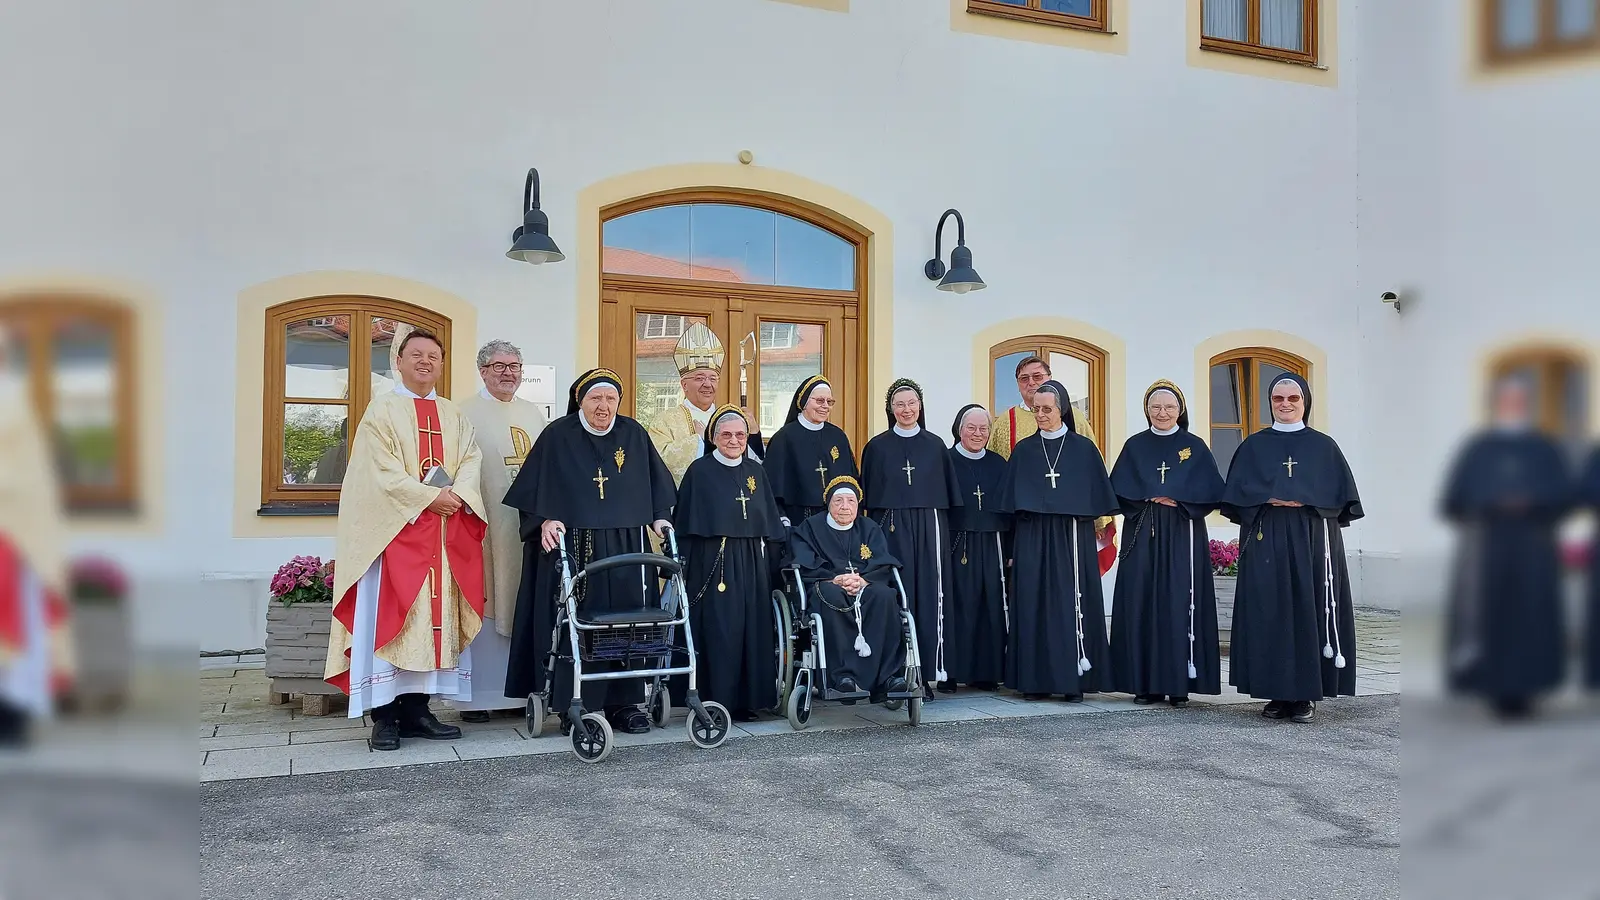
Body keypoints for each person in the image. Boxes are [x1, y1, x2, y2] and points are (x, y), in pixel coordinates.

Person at [322, 329, 487, 751]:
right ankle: (385, 716)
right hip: (395, 536)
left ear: (442, 363)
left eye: (433, 355)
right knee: (392, 620)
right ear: (399, 360)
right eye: (417, 354)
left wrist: (456, 496)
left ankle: (418, 710)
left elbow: (470, 460)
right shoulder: (381, 412)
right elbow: (379, 474)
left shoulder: (454, 416)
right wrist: (431, 496)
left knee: (432, 624)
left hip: (442, 537)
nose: (425, 362)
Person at [501, 368, 676, 736]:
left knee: (629, 620)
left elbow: (657, 485)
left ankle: (625, 702)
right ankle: (574, 703)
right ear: (580, 401)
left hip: (627, 544)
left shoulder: (633, 434)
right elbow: (532, 491)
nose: (604, 406)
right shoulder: (557, 436)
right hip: (577, 544)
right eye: (596, 398)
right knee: (579, 623)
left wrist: (660, 520)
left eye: (611, 398)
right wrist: (544, 520)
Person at [1221, 373, 1362, 724]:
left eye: (1293, 399)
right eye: (1278, 399)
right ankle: (1275, 692)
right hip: (1266, 533)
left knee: (1307, 606)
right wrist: (1266, 498)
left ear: (1305, 402)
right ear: (1270, 403)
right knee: (1269, 609)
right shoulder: (1253, 446)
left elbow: (1341, 499)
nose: (1285, 404)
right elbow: (1237, 496)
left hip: (1312, 535)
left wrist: (1306, 500)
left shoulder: (1323, 446)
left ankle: (1305, 695)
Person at [1440, 375, 1573, 719]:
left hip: (1533, 545)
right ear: (1496, 403)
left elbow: (1564, 494)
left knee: (1529, 616)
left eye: (1518, 399)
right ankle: (1493, 686)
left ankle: (1529, 688)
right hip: (1488, 544)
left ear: (1525, 403)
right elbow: (1454, 498)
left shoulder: (1543, 447)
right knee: (1491, 615)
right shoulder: (1479, 449)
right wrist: (1490, 502)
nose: (1512, 405)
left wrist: (1532, 502)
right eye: (1506, 399)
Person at [1107, 381, 1225, 708]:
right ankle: (1144, 684)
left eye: (1169, 407)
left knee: (1178, 601)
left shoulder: (1194, 447)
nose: (1162, 413)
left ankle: (1179, 685)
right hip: (1143, 530)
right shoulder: (1135, 446)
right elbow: (1118, 491)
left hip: (1181, 531)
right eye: (1156, 407)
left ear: (1180, 410)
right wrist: (1145, 497)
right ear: (1147, 410)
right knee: (1140, 600)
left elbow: (1212, 491)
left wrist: (1180, 499)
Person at [1000, 380, 1119, 701]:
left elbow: (1097, 497)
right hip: (1033, 536)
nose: (1040, 414)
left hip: (1072, 535)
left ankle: (1074, 680)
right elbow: (1011, 506)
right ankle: (1034, 680)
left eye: (1047, 409)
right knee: (1033, 602)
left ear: (1062, 409)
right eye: (1036, 409)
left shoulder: (1083, 449)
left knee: (1072, 602)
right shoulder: (1024, 450)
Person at [672, 406, 786, 721]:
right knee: (721, 628)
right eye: (726, 434)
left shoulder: (755, 471)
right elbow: (686, 525)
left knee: (752, 627)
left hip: (751, 558)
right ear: (714, 437)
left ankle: (747, 701)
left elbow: (768, 522)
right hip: (714, 561)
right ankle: (716, 699)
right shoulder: (700, 471)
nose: (734, 440)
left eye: (740, 435)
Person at [454, 340, 548, 722]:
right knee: (487, 598)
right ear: (482, 371)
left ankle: (519, 693)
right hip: (484, 522)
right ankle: (477, 698)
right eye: (499, 366)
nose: (508, 373)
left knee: (525, 597)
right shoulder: (463, 413)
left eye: (515, 366)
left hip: (525, 525)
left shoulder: (534, 414)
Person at [860, 378, 963, 698]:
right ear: (890, 410)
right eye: (899, 404)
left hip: (930, 525)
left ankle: (925, 674)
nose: (906, 410)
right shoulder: (876, 446)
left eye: (911, 403)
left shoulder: (935, 445)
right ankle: (890, 673)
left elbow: (948, 496)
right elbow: (870, 500)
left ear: (920, 406)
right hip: (891, 527)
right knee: (894, 594)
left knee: (931, 597)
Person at [0, 332, 74, 747]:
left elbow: (27, 473)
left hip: (11, 533)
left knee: (13, 634)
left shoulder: (11, 402)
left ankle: (11, 717)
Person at [987, 354, 1117, 575]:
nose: (1031, 382)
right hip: (1028, 526)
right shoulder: (1005, 421)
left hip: (1072, 524)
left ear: (1049, 378)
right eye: (1024, 378)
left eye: (1037, 376)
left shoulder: (1074, 417)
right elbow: (997, 475)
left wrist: (1099, 522)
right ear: (1017, 384)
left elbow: (1092, 473)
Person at [788, 476, 910, 698]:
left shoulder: (869, 527)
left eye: (851, 501)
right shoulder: (810, 528)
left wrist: (864, 580)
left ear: (857, 505)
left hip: (866, 584)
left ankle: (889, 676)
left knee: (884, 595)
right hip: (828, 585)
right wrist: (834, 579)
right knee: (830, 595)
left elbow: (883, 559)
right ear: (828, 504)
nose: (845, 507)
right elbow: (802, 561)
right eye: (838, 501)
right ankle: (843, 676)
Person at [946, 404, 1010, 691]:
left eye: (983, 428)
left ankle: (986, 673)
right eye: (971, 428)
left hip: (993, 542)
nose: (977, 433)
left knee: (990, 606)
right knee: (959, 606)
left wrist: (1009, 550)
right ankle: (950, 673)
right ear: (959, 430)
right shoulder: (945, 461)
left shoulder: (999, 464)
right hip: (957, 542)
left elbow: (1010, 509)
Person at [647, 323, 761, 485]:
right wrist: (699, 441)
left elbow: (753, 468)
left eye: (713, 378)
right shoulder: (664, 421)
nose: (707, 384)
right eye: (699, 378)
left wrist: (754, 434)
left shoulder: (730, 419)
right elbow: (658, 463)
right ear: (684, 384)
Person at [761, 375, 858, 526]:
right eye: (819, 401)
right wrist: (782, 520)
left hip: (835, 520)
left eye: (829, 402)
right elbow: (772, 487)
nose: (825, 406)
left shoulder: (838, 437)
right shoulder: (784, 438)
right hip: (798, 520)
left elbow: (851, 481)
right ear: (804, 402)